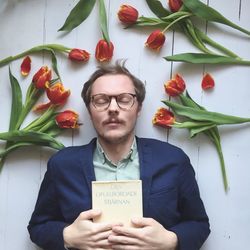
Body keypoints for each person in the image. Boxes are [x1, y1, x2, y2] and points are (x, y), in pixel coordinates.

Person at [28, 61, 210, 250]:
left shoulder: (174, 160)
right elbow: (38, 226)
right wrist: (67, 236)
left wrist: (171, 240)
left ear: (138, 108)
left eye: (124, 99)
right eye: (101, 100)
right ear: (90, 111)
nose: (113, 108)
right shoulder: (62, 165)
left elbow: (198, 224)